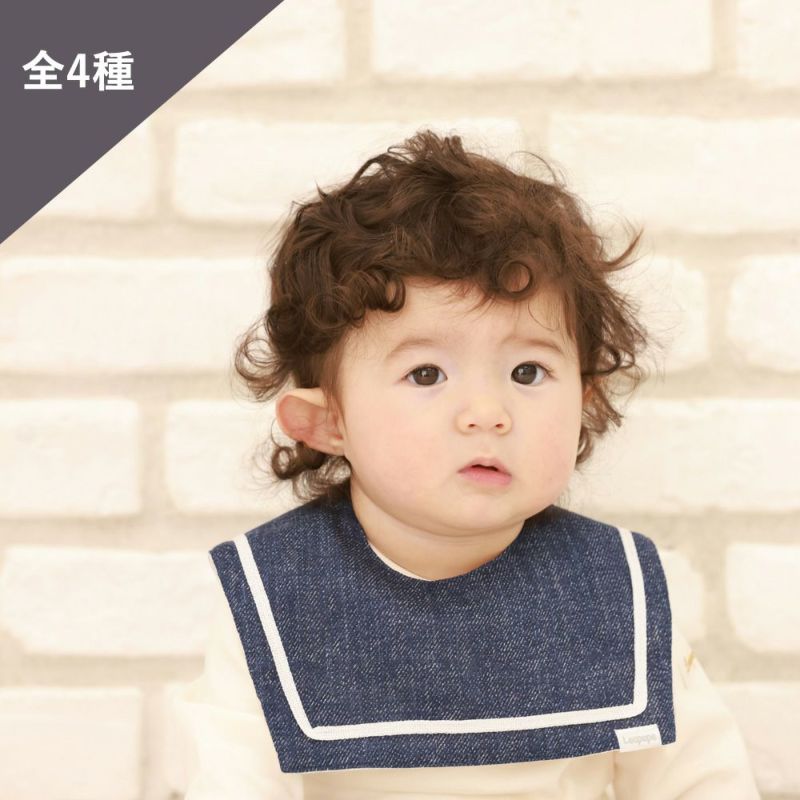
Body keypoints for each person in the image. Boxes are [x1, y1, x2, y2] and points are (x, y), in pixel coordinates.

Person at [172, 129, 761, 798]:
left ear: (585, 402)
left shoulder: (611, 590)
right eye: (427, 373)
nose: (487, 412)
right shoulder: (277, 595)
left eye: (527, 371)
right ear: (328, 422)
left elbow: (702, 782)